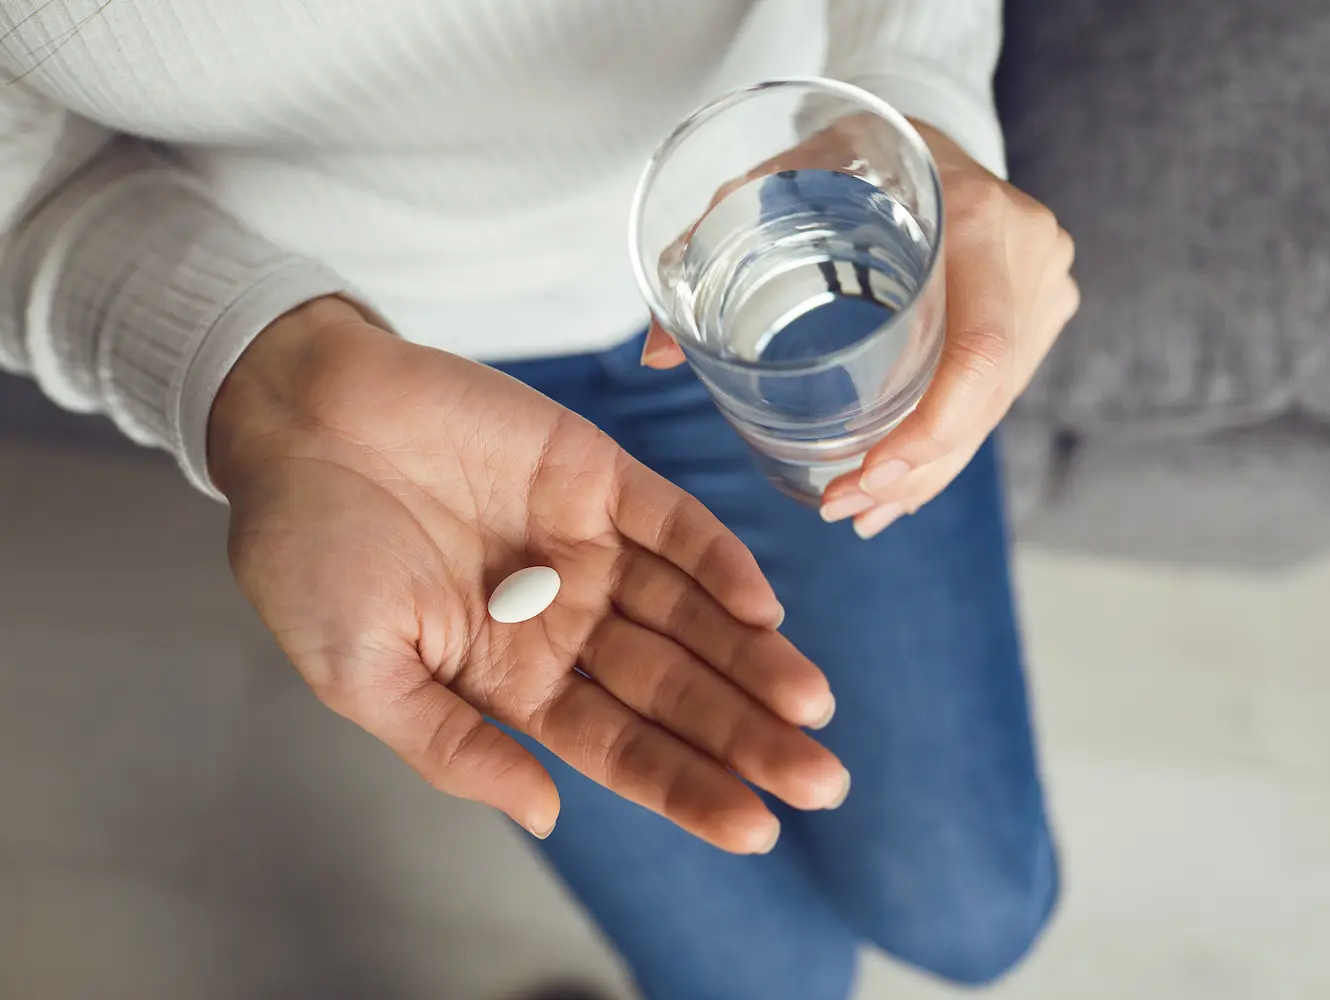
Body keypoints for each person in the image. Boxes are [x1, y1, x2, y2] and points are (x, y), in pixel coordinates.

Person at [0, 2, 1078, 998]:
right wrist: (266, 379)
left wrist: (916, 120)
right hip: (402, 390)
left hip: (786, 265)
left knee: (977, 920)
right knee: (766, 984)